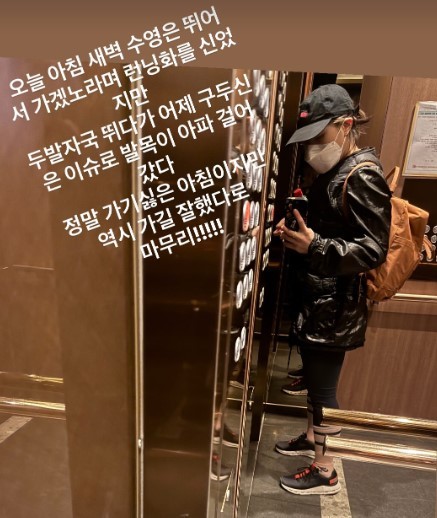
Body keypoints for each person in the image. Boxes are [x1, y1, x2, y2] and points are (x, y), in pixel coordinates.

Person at [273, 84, 392, 495]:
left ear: (345, 125)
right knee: (315, 382)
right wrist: (299, 231)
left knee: (323, 389)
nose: (312, 148)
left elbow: (373, 249)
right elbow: (334, 228)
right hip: (320, 301)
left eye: (318, 136)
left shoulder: (363, 175)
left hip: (336, 306)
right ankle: (312, 439)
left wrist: (315, 246)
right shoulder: (337, 170)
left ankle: (325, 471)